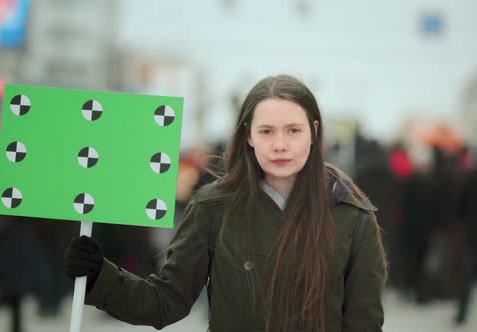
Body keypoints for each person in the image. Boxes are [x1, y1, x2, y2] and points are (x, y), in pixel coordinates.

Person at [64, 74, 388, 332]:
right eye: (266, 131)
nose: (280, 145)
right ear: (248, 135)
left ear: (314, 132)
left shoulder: (351, 215)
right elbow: (165, 302)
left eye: (293, 130)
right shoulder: (214, 207)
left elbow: (364, 324)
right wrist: (99, 276)